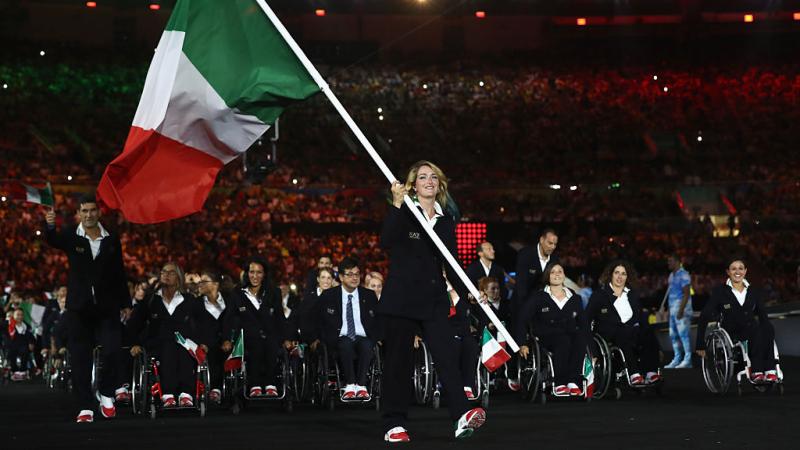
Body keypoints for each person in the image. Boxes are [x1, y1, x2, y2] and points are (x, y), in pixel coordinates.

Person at [379, 161, 485, 443]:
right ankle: (394, 423)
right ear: (413, 184)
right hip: (401, 299)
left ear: (440, 184)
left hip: (434, 298)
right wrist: (397, 204)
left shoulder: (446, 221)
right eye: (423, 177)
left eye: (434, 177)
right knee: (398, 364)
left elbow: (452, 265)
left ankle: (461, 415)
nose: (429, 180)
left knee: (447, 356)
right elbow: (385, 241)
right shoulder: (404, 211)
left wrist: (470, 292)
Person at [44, 194, 130, 423]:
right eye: (84, 211)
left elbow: (119, 273)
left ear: (98, 212)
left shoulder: (111, 238)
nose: (89, 215)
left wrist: (126, 303)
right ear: (79, 214)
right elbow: (53, 239)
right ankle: (85, 406)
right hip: (79, 309)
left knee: (113, 351)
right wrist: (50, 225)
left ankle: (107, 392)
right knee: (81, 359)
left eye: (92, 210)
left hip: (107, 307)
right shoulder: (72, 236)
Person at [128, 262, 207, 408]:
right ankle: (167, 394)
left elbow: (203, 323)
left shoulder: (189, 300)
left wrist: (203, 342)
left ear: (179, 278)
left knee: (183, 347)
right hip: (157, 344)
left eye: (171, 273)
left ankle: (186, 394)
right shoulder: (151, 300)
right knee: (169, 345)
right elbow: (134, 324)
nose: (166, 275)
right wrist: (135, 343)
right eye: (164, 272)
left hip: (184, 344)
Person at [695, 259, 778, 382]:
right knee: (755, 331)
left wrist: (767, 328)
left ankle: (770, 371)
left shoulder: (753, 291)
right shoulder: (720, 292)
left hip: (751, 329)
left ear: (745, 271)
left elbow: (762, 315)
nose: (737, 271)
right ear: (728, 272)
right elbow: (705, 315)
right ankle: (757, 371)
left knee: (767, 328)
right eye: (733, 269)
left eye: (740, 268)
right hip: (732, 332)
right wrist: (700, 343)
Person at [514, 263, 588, 396]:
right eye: (553, 272)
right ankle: (559, 382)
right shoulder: (538, 297)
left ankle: (572, 381)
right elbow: (522, 319)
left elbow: (583, 324)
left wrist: (593, 351)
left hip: (569, 334)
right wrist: (522, 343)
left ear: (564, 276)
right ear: (547, 276)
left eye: (560, 271)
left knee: (580, 338)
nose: (557, 274)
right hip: (546, 336)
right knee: (563, 340)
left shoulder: (575, 298)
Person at [313, 257, 380, 399]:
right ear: (341, 277)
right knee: (345, 343)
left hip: (363, 337)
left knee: (367, 344)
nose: (354, 278)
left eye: (356, 274)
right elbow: (319, 320)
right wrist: (318, 338)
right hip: (338, 340)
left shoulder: (368, 295)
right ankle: (350, 385)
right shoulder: (329, 296)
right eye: (349, 274)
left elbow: (378, 320)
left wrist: (377, 337)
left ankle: (361, 386)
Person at [586, 261, 661, 385]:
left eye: (623, 274)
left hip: (631, 331)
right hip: (610, 334)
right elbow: (586, 318)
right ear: (610, 275)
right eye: (617, 273)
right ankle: (634, 374)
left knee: (647, 332)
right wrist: (590, 346)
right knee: (623, 332)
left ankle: (650, 372)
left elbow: (640, 316)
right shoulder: (600, 295)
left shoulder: (631, 294)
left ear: (627, 277)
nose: (620, 277)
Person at [222, 257, 285, 398]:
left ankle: (270, 383)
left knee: (271, 342)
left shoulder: (274, 292)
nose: (255, 276)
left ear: (264, 274)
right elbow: (228, 319)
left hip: (270, 335)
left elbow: (280, 318)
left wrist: (287, 337)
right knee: (255, 342)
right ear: (246, 273)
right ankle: (254, 384)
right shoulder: (237, 293)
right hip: (248, 337)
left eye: (259, 272)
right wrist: (226, 339)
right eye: (252, 272)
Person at [196, 269, 229, 404]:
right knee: (213, 352)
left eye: (204, 281)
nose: (200, 284)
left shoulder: (230, 300)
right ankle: (215, 388)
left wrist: (229, 340)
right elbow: (193, 326)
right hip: (206, 343)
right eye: (200, 282)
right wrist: (200, 342)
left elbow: (235, 322)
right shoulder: (196, 304)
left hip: (226, 342)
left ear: (215, 284)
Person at [512, 229, 559, 314]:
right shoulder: (525, 254)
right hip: (522, 306)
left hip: (543, 307)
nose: (553, 247)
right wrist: (526, 309)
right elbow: (521, 285)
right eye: (550, 243)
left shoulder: (555, 259)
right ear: (541, 240)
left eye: (555, 244)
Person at [664, 254, 693, 369]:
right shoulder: (671, 275)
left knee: (683, 335)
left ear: (677, 262)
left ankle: (688, 359)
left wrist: (681, 310)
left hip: (682, 309)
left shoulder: (684, 275)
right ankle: (677, 358)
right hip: (672, 309)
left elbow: (686, 293)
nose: (668, 263)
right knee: (673, 335)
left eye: (670, 261)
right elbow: (670, 294)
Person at [3, 308, 35, 380]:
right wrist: (8, 320)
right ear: (13, 315)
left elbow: (31, 337)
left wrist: (31, 343)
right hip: (11, 345)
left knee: (25, 351)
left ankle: (23, 371)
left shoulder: (26, 326)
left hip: (23, 345)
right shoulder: (8, 324)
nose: (20, 317)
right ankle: (14, 371)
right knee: (11, 352)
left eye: (21, 315)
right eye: (17, 315)